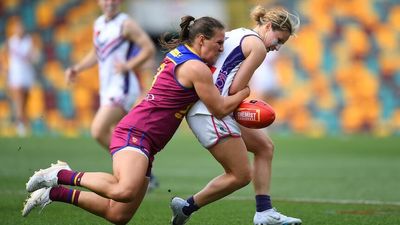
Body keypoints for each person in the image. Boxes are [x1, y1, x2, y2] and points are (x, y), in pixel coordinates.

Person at [22, 15, 250, 225]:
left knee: (118, 214)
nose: (221, 49)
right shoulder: (195, 67)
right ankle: (60, 174)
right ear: (201, 39)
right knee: (124, 191)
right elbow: (219, 109)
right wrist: (244, 93)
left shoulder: (182, 54)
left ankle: (54, 193)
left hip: (146, 140)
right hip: (137, 132)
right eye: (219, 43)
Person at [173, 5, 302, 225]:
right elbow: (237, 89)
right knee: (241, 175)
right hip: (211, 112)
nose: (278, 47)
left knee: (265, 147)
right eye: (278, 40)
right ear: (268, 26)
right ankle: (186, 206)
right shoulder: (258, 46)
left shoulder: (237, 33)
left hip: (210, 107)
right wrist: (247, 92)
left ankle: (264, 212)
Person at [64, 0, 160, 190]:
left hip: (122, 88)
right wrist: (78, 68)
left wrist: (128, 66)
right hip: (108, 88)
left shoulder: (126, 24)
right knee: (122, 135)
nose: (110, 2)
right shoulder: (99, 23)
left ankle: (135, 171)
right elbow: (96, 52)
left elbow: (148, 48)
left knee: (98, 130)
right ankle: (142, 174)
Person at [1, 18, 38, 136]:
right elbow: (2, 54)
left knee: (25, 101)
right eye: (17, 28)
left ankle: (22, 123)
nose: (19, 30)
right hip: (16, 75)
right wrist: (3, 70)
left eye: (21, 27)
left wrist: (34, 57)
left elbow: (34, 55)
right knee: (19, 100)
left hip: (27, 74)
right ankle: (20, 125)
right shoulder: (11, 42)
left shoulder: (28, 40)